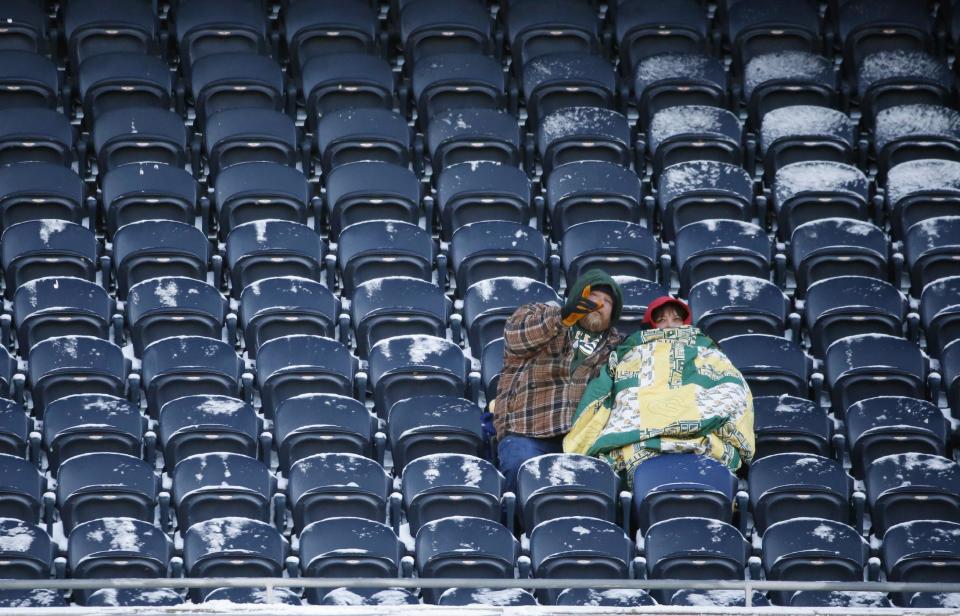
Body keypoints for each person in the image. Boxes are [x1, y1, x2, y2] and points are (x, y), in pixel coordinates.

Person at [563, 296, 754, 486]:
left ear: (686, 323)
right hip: (643, 425)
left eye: (676, 318)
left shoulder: (706, 348)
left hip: (697, 424)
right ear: (650, 326)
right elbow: (605, 388)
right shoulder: (630, 350)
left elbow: (731, 384)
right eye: (661, 320)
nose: (669, 325)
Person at [492, 270, 624, 494]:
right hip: (526, 433)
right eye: (594, 297)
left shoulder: (618, 348)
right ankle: (516, 527)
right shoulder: (538, 314)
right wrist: (562, 317)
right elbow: (516, 338)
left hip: (581, 443)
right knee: (519, 468)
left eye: (607, 301)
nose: (600, 304)